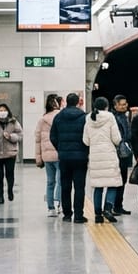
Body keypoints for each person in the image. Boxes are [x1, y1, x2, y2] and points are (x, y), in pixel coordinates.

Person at [83, 96, 123, 223]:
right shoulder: (110, 116)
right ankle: (108, 208)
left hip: (95, 155)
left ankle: (97, 215)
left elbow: (86, 141)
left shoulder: (88, 118)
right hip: (109, 155)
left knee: (98, 186)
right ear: (106, 106)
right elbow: (117, 138)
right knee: (112, 183)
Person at [51, 92, 89, 223]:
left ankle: (67, 214)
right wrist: (85, 150)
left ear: (66, 102)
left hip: (64, 157)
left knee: (65, 186)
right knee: (79, 187)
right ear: (78, 102)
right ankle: (78, 215)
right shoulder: (84, 117)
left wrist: (60, 149)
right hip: (80, 157)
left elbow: (53, 137)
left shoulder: (58, 117)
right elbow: (88, 137)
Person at [35, 94, 62, 216]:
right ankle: (59, 205)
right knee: (61, 181)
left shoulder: (42, 119)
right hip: (60, 154)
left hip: (46, 156)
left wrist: (38, 158)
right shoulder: (61, 117)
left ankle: (50, 208)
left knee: (50, 182)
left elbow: (38, 140)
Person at [111, 94, 134, 215]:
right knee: (117, 180)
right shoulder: (113, 118)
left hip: (124, 153)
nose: (125, 106)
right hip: (117, 153)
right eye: (121, 104)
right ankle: (114, 205)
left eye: (125, 104)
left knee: (123, 179)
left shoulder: (124, 117)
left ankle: (118, 205)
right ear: (115, 106)